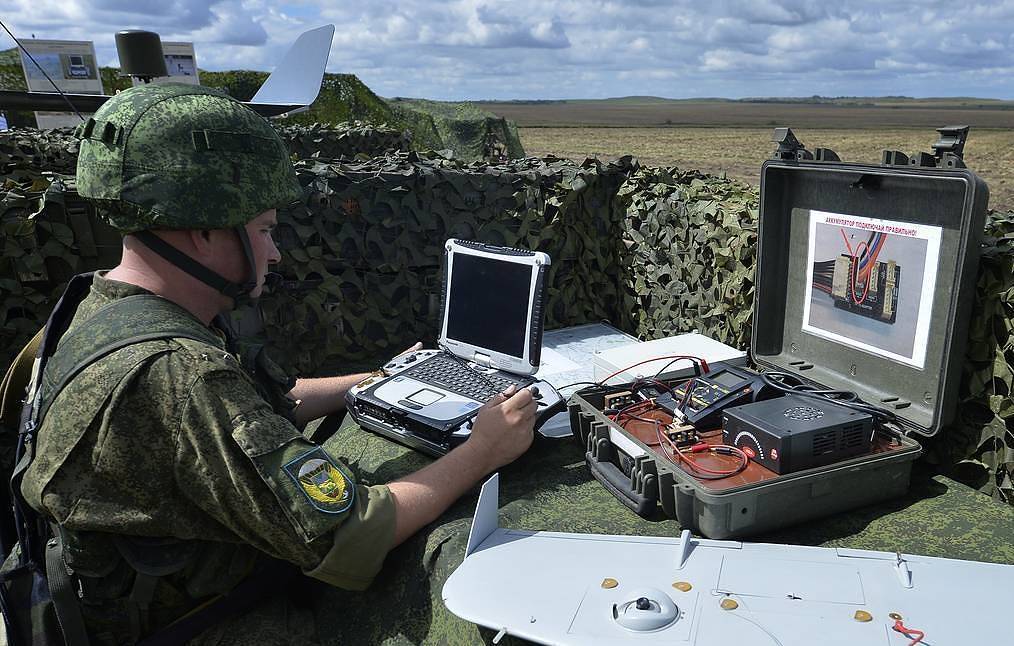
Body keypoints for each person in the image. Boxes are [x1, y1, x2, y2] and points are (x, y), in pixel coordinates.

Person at [12, 82, 537, 644]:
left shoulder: (97, 310)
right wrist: (483, 451)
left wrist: (380, 378)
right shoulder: (180, 374)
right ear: (205, 229)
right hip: (200, 624)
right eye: (264, 230)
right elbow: (354, 535)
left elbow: (258, 407)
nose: (275, 252)